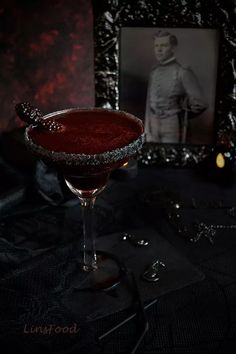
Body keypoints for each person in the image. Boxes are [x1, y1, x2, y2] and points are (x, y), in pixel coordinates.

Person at [145, 30, 208, 143]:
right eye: (156, 46)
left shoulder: (182, 72)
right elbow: (148, 105)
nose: (159, 50)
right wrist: (146, 129)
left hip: (172, 126)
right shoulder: (153, 72)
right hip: (152, 126)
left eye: (164, 45)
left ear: (173, 48)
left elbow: (201, 103)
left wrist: (182, 113)